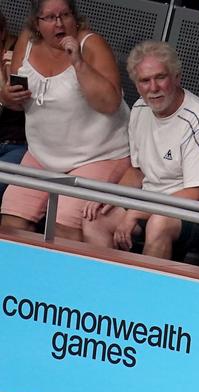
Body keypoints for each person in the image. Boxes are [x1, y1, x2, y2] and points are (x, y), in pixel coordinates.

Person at [81, 41, 199, 259]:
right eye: (145, 81)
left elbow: (197, 194)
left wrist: (136, 212)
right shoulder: (139, 108)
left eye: (160, 77)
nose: (153, 88)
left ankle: (146, 291)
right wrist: (113, 195)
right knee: (95, 218)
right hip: (154, 201)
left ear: (176, 77)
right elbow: (137, 171)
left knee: (158, 223)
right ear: (137, 85)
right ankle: (108, 288)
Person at [0, 0, 131, 243]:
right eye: (49, 18)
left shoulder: (92, 44)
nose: (59, 23)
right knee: (11, 223)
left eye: (65, 15)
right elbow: (19, 98)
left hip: (97, 155)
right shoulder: (27, 40)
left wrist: (79, 63)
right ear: (37, 23)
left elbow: (110, 103)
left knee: (64, 227)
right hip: (42, 156)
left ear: (75, 17)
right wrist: (7, 97)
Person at [0, 12, 29, 201]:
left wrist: (6, 75)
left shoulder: (20, 56)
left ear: (2, 32)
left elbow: (20, 104)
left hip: (19, 144)